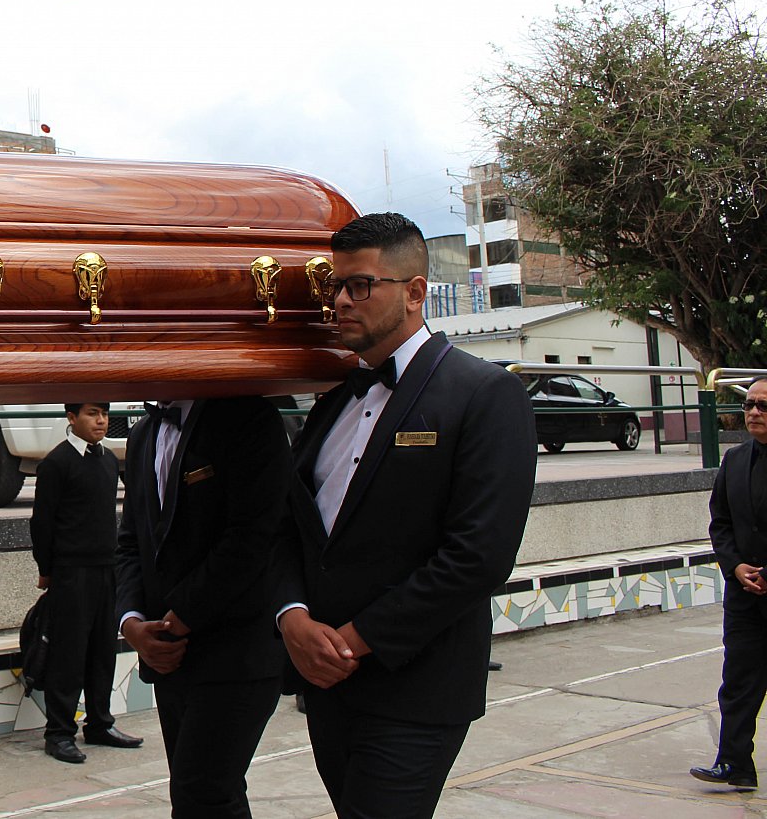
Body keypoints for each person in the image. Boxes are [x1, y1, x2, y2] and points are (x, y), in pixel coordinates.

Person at [274, 212, 535, 819]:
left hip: (416, 683)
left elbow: (479, 555)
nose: (341, 301)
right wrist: (291, 617)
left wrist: (352, 642)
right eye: (336, 286)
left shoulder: (484, 393)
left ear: (415, 292)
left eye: (360, 285)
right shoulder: (333, 400)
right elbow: (291, 527)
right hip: (326, 682)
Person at [116, 395, 291, 817]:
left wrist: (181, 616)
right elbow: (131, 540)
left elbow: (253, 536)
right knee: (206, 793)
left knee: (201, 792)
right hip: (168, 657)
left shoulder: (249, 417)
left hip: (237, 651)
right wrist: (131, 622)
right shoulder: (142, 435)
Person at [30, 402, 142, 763]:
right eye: (93, 413)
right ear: (71, 417)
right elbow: (42, 522)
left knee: (103, 650)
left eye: (105, 414)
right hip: (71, 571)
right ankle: (59, 732)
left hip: (106, 568)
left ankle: (100, 722)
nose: (101, 421)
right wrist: (46, 568)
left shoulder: (108, 461)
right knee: (69, 652)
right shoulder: (57, 463)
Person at [690, 377, 767, 790]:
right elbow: (720, 522)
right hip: (744, 597)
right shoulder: (734, 460)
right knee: (738, 681)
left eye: (763, 406)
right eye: (749, 405)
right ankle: (734, 763)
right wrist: (735, 566)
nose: (754, 412)